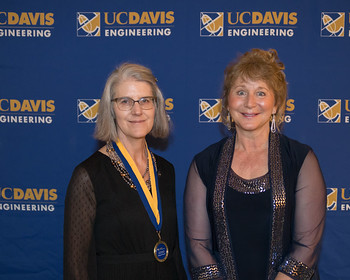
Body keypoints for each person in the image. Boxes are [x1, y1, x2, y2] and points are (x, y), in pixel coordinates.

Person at [184, 49, 326, 280]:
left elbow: (306, 246)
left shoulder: (300, 159)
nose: (250, 103)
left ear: (276, 105)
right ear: (228, 103)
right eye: (241, 92)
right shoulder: (204, 163)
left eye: (261, 93)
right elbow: (198, 246)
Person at [64, 63, 187, 280]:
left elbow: (174, 252)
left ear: (156, 107)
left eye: (145, 101)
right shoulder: (88, 176)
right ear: (110, 108)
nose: (137, 110)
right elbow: (76, 268)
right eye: (125, 102)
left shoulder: (166, 170)